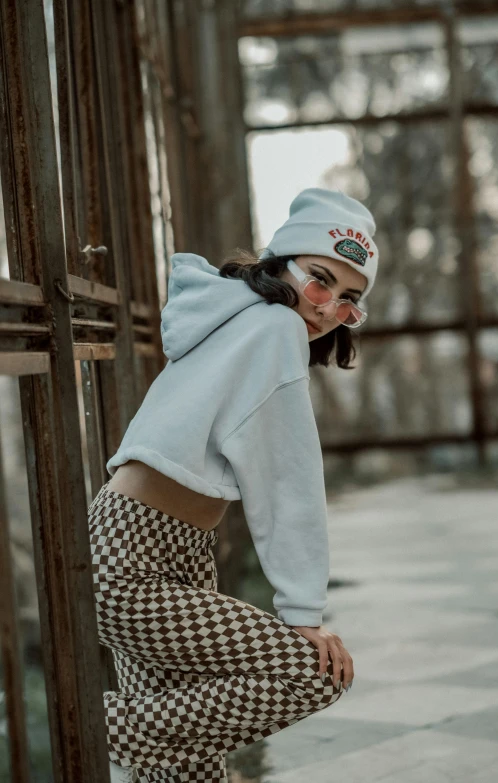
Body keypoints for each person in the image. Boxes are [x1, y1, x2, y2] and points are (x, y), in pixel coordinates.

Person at [88, 187, 379, 783]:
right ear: (282, 265)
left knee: (188, 770)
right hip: (133, 560)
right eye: (320, 281)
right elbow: (288, 480)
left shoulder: (238, 319)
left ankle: (110, 738)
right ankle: (94, 730)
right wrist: (304, 612)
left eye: (350, 300)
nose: (328, 308)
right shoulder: (273, 330)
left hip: (160, 546)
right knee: (313, 672)